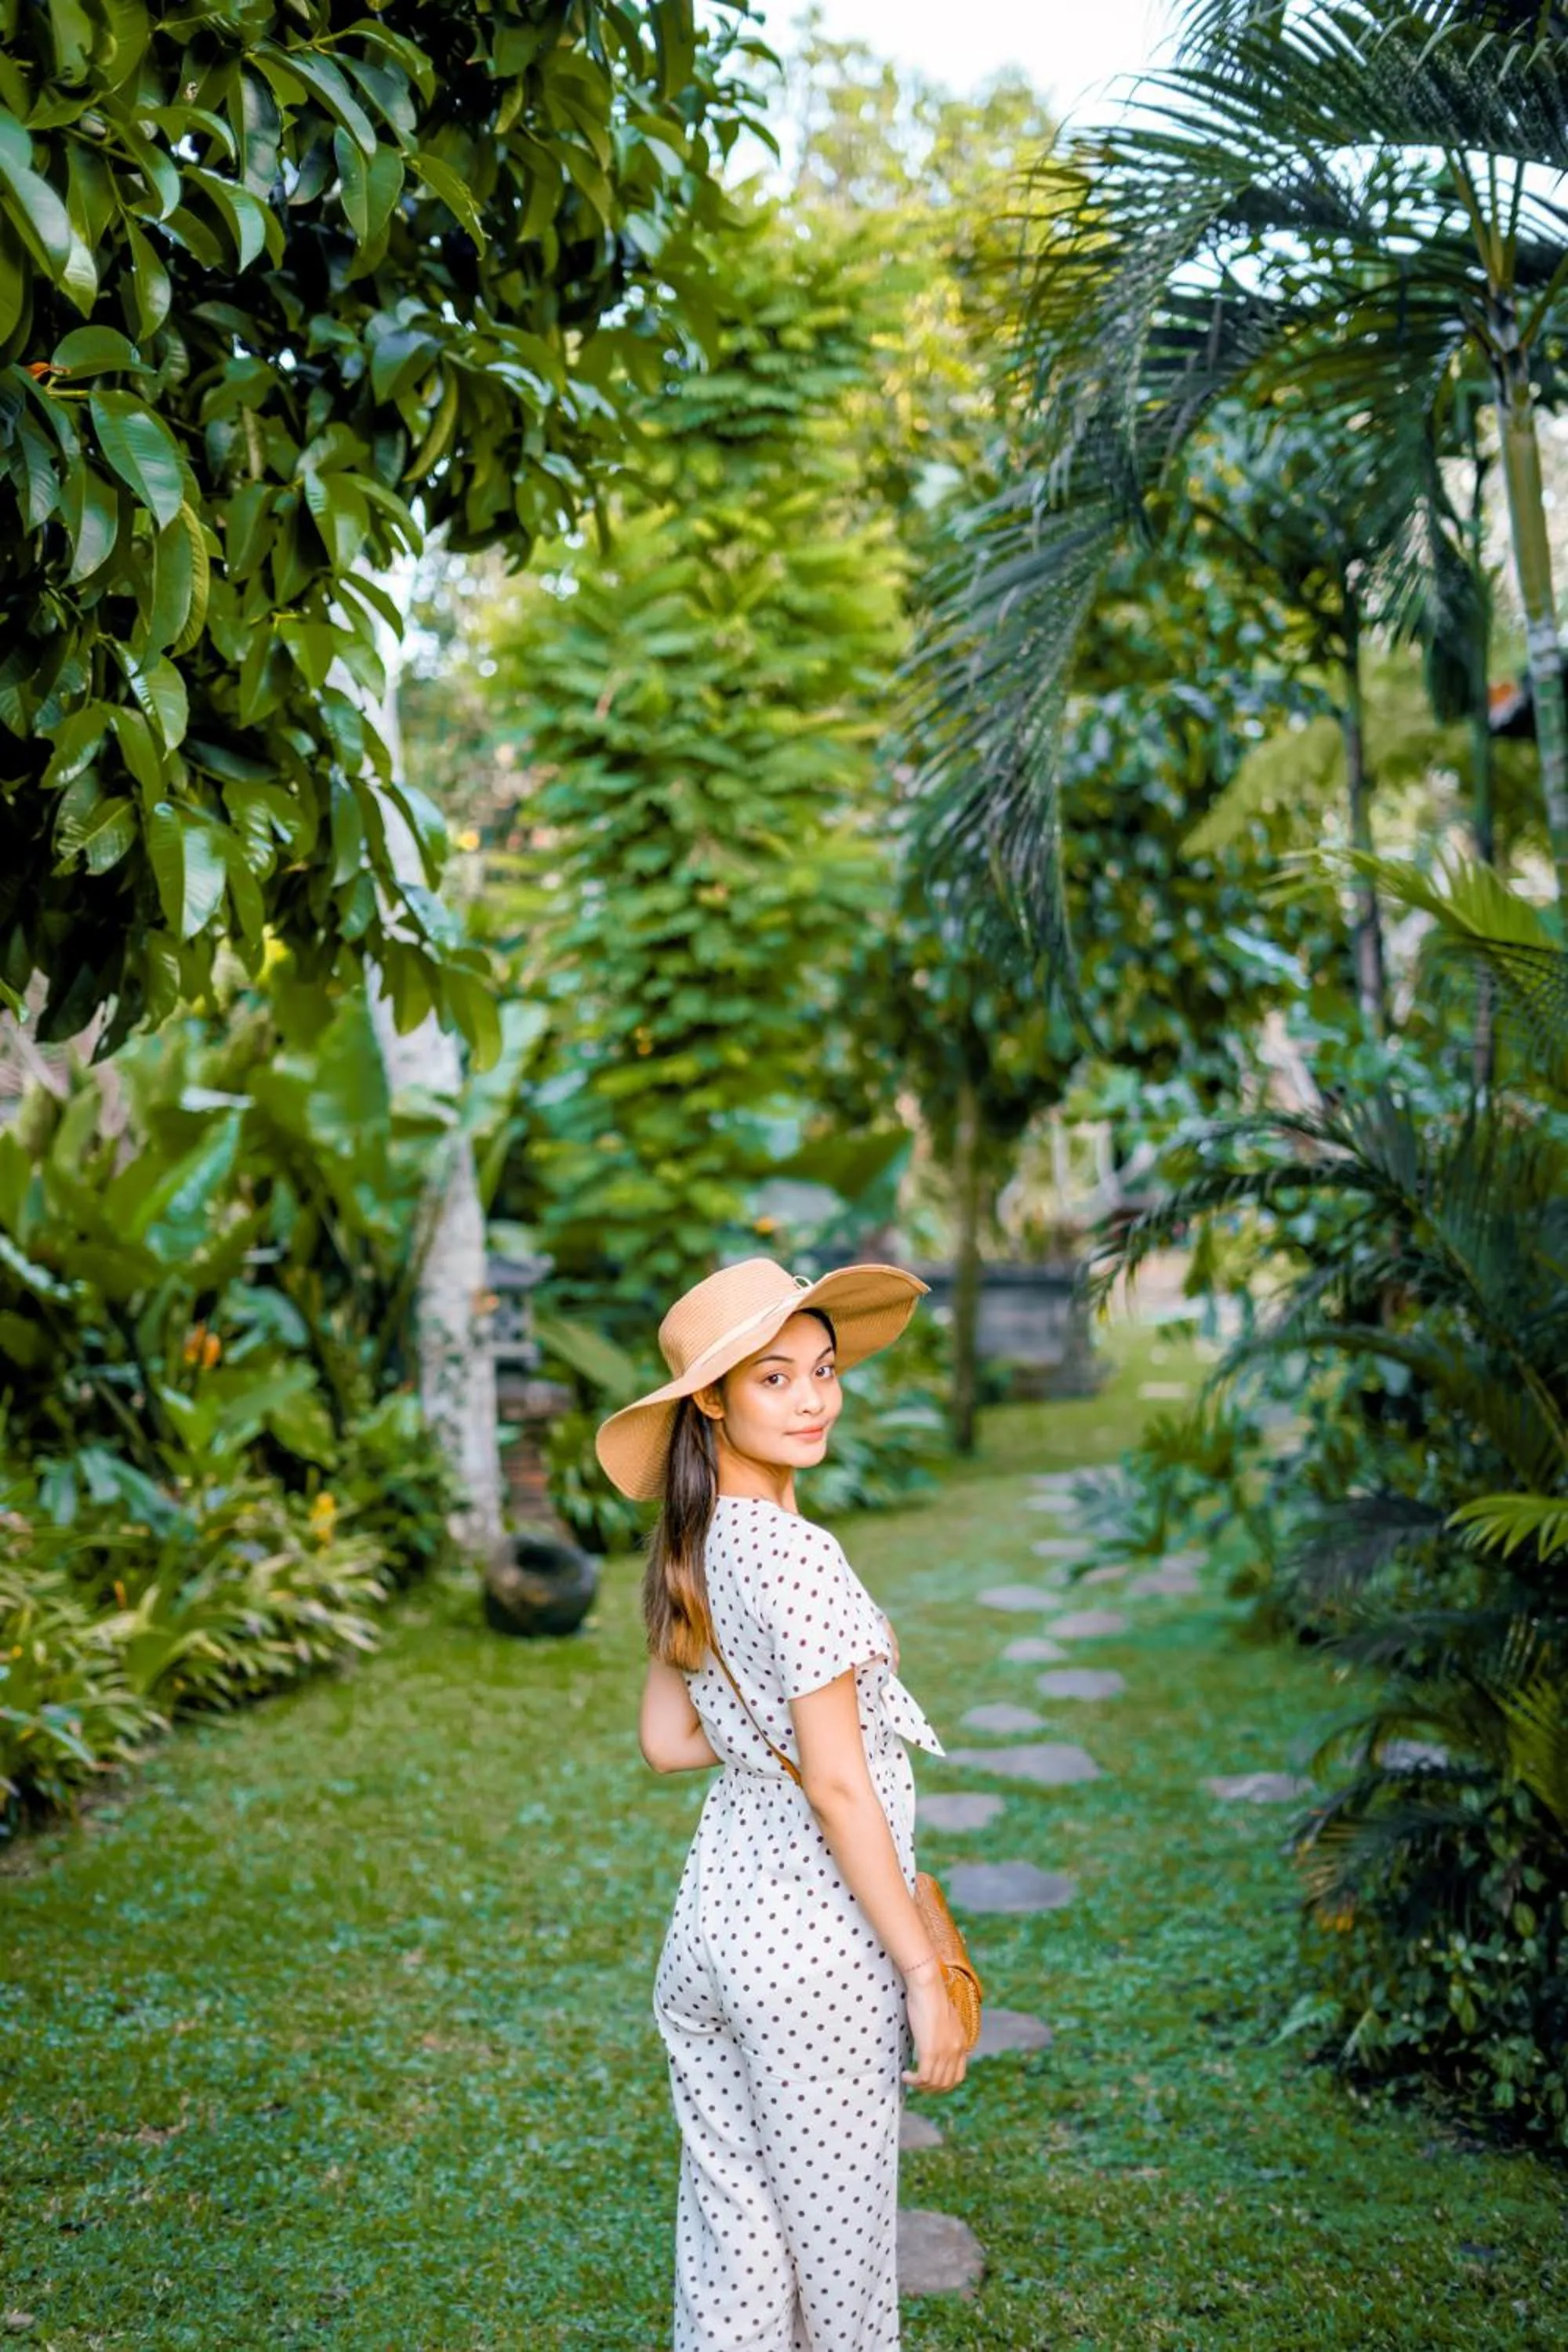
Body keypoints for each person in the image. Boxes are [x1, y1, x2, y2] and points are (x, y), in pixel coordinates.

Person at [595, 1256, 969, 2352]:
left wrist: (776, 1709)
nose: (813, 1400)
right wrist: (923, 1975)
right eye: (775, 1378)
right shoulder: (798, 1558)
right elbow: (841, 1785)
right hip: (814, 1951)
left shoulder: (694, 1543)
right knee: (841, 2277)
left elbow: (667, 1741)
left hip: (713, 1931)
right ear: (712, 1400)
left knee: (739, 2254)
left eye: (824, 1370)